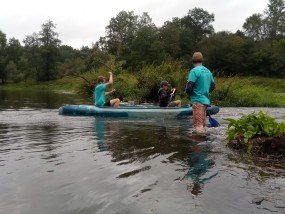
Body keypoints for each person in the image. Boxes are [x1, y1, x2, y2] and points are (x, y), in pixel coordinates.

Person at [185, 52, 215, 134]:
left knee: (198, 126)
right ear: (202, 61)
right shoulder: (208, 71)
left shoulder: (194, 71)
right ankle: (204, 145)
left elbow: (188, 87)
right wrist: (204, 92)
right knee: (203, 126)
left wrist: (192, 94)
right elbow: (212, 86)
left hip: (197, 101)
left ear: (193, 61)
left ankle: (198, 145)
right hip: (205, 102)